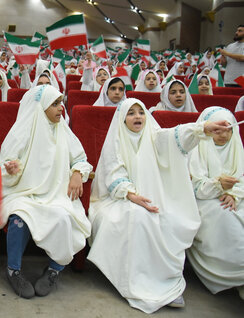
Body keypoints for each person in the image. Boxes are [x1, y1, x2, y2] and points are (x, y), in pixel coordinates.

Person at [88, 99, 230, 312]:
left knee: (167, 218)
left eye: (141, 112)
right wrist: (131, 194)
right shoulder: (116, 141)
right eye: (131, 113)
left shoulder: (154, 137)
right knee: (137, 218)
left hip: (156, 196)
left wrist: (202, 128)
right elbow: (113, 173)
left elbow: (175, 137)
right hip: (120, 198)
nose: (137, 117)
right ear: (122, 118)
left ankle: (166, 283)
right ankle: (135, 283)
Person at [0, 84, 92, 299]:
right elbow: (3, 166)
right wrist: (10, 169)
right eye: (55, 104)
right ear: (41, 107)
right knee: (19, 218)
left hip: (56, 194)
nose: (61, 108)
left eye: (61, 103)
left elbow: (80, 159)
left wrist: (78, 172)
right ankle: (13, 271)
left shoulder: (64, 131)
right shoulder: (21, 132)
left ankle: (53, 270)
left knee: (64, 218)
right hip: (24, 193)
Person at [187, 107, 244, 298]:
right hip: (205, 200)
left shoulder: (237, 147)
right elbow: (196, 186)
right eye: (217, 130)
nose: (223, 135)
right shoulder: (198, 148)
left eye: (228, 129)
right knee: (226, 218)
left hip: (236, 198)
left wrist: (234, 193)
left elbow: (242, 178)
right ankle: (236, 276)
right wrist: (218, 185)